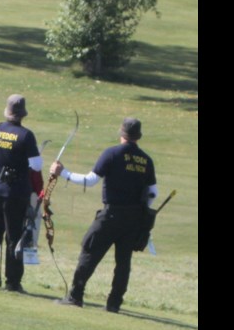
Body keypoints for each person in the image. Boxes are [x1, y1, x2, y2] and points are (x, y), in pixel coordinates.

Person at [52, 118, 158, 313]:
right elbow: (153, 193)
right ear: (138, 136)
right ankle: (114, 303)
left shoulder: (112, 153)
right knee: (123, 262)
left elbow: (90, 180)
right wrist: (140, 210)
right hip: (134, 218)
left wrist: (63, 173)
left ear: (121, 133)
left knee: (89, 250)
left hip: (112, 214)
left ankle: (76, 296)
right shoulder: (146, 160)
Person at [0, 94, 43, 292]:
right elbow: (36, 165)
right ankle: (12, 281)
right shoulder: (26, 135)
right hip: (16, 193)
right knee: (14, 238)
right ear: (22, 114)